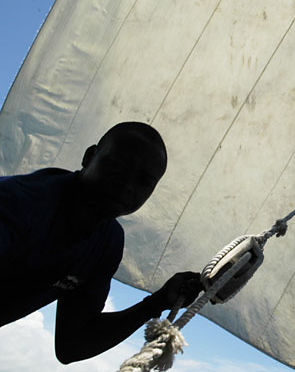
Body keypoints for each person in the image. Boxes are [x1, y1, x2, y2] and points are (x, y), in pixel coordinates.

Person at [0, 122, 203, 364]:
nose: (128, 186)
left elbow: (72, 345)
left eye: (144, 182)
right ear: (89, 157)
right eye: (119, 167)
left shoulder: (107, 242)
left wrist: (157, 303)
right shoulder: (17, 204)